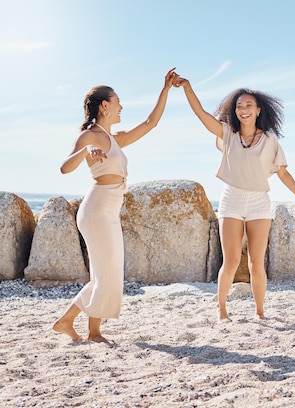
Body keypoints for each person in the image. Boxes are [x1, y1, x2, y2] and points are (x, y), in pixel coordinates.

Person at [172, 74, 295, 322]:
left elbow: (283, 173)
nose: (244, 110)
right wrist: (187, 87)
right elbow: (201, 115)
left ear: (259, 109)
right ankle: (221, 308)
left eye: (249, 105)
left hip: (260, 202)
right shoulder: (228, 133)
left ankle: (260, 312)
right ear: (234, 110)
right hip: (231, 200)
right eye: (239, 106)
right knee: (229, 262)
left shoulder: (270, 141)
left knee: (256, 263)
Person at [53, 68, 177, 344]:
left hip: (109, 213)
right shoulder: (88, 136)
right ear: (105, 105)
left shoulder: (115, 139)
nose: (122, 106)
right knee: (106, 273)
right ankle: (93, 332)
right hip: (96, 211)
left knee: (106, 273)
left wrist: (165, 89)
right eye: (118, 101)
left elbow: (150, 122)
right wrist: (85, 152)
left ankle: (67, 321)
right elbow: (64, 167)